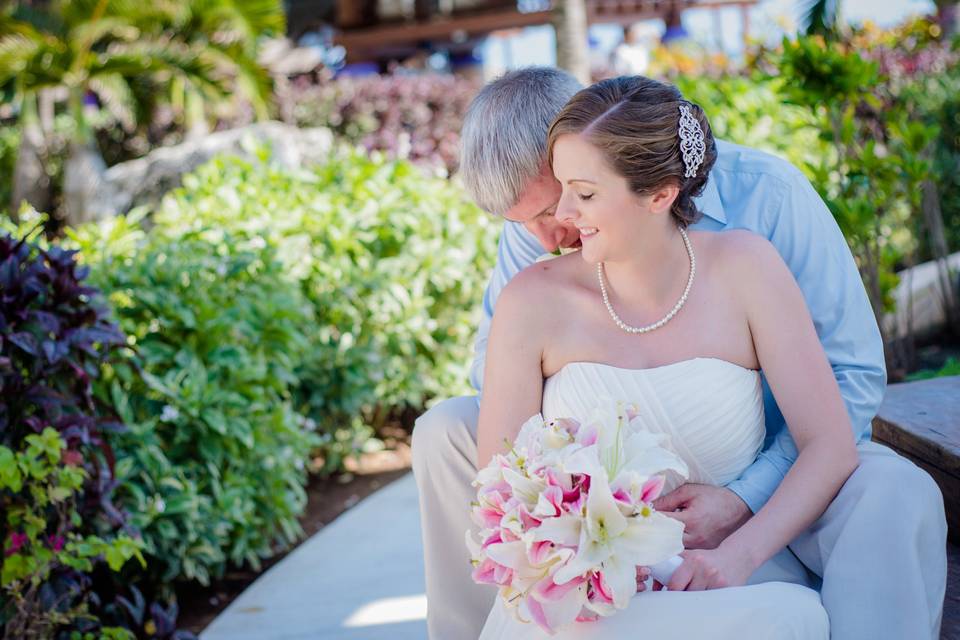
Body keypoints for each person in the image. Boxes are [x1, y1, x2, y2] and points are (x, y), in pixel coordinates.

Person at [411, 68, 947, 639]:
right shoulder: (545, 238)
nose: (552, 233)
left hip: (770, 447)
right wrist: (585, 499)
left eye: (565, 201)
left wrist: (745, 497)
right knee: (446, 429)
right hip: (600, 463)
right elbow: (500, 374)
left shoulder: (764, 207)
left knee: (897, 492)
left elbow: (851, 379)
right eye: (531, 221)